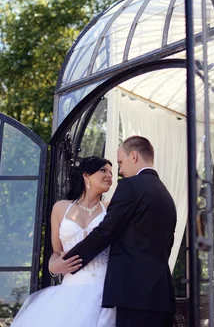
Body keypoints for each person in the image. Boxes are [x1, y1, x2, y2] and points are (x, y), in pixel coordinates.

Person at [64, 135, 177, 327]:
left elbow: (106, 231)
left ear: (133, 156)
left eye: (120, 163)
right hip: (161, 297)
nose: (121, 171)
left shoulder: (131, 186)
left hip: (134, 296)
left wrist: (69, 261)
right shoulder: (166, 195)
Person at [11, 156, 117, 327]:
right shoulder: (61, 208)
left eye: (112, 173)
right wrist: (53, 267)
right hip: (69, 295)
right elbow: (56, 252)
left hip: (104, 293)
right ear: (86, 175)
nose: (109, 176)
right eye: (103, 170)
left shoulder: (111, 208)